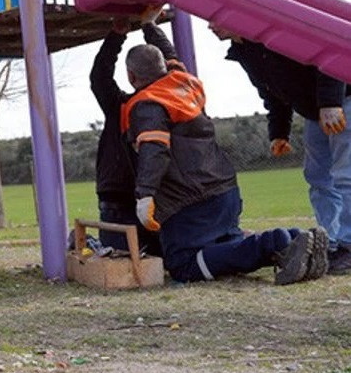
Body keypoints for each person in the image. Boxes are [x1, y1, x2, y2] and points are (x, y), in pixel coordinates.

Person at [120, 31, 328, 284]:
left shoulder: (147, 104)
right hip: (223, 190)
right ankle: (297, 238)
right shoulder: (184, 82)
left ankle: (278, 242)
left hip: (190, 200)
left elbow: (154, 149)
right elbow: (170, 54)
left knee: (183, 265)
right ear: (164, 66)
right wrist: (150, 25)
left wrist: (145, 195)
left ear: (131, 77)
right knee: (229, 245)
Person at [211, 27, 351, 274]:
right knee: (319, 178)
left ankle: (348, 246)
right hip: (314, 112)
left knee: (345, 176)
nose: (211, 26)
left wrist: (331, 101)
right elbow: (273, 94)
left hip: (342, 103)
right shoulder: (245, 51)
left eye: (213, 18)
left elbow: (329, 54)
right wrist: (279, 133)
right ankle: (331, 242)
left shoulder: (276, 35)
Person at [89, 18, 162, 256]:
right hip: (158, 197)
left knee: (121, 262)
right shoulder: (173, 104)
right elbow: (174, 64)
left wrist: (117, 35)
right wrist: (149, 26)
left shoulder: (121, 106)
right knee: (161, 260)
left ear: (131, 76)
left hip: (117, 197)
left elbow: (100, 78)